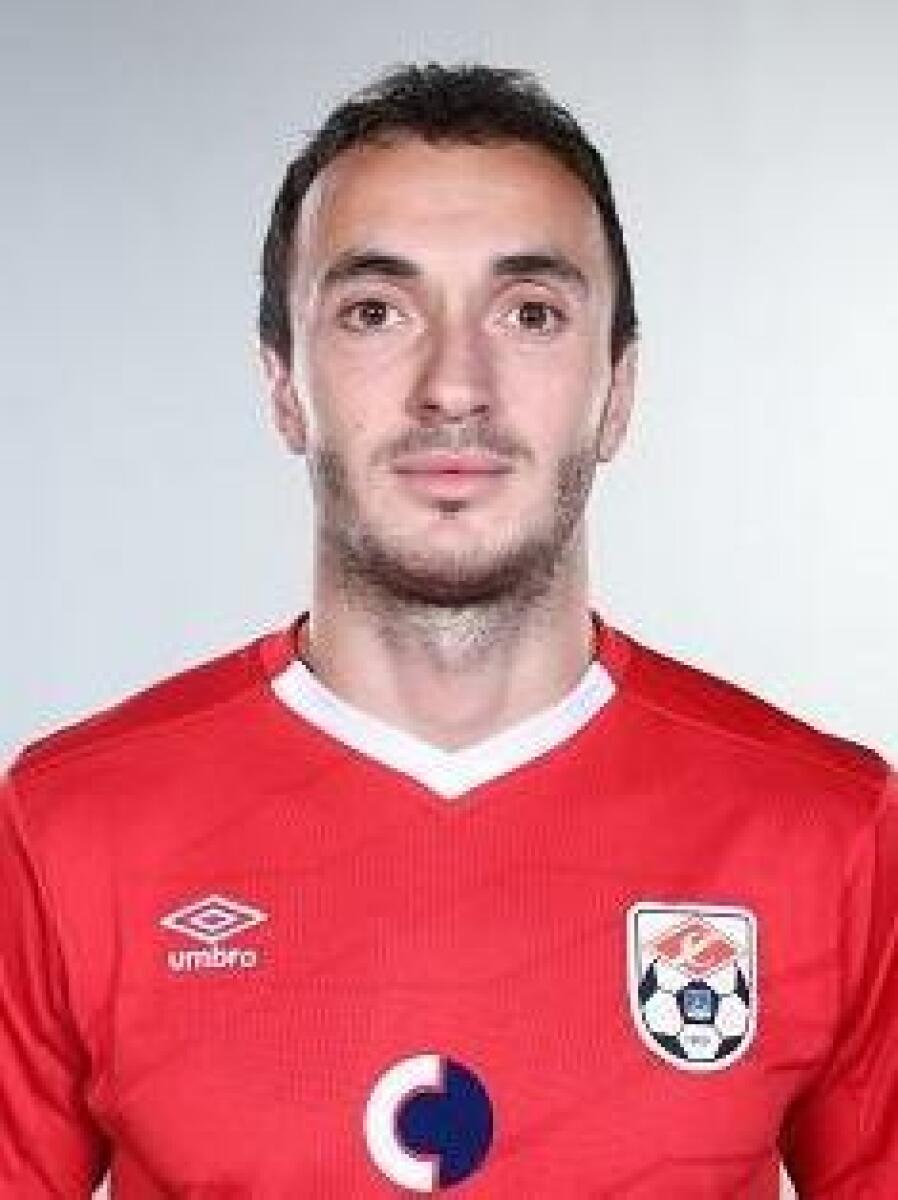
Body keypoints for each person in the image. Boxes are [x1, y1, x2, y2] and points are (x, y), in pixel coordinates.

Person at [1, 62, 894, 1198]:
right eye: (376, 312)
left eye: (530, 314)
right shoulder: (67, 826)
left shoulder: (828, 830)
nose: (454, 386)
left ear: (617, 390)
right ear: (284, 384)